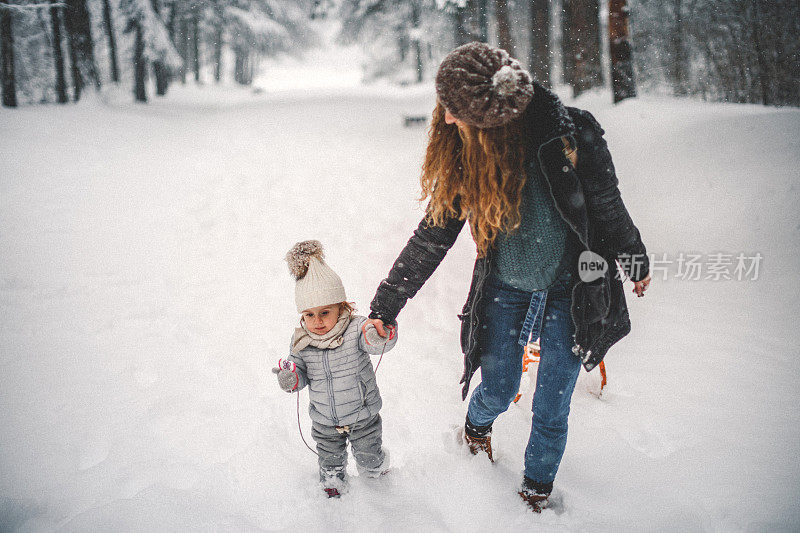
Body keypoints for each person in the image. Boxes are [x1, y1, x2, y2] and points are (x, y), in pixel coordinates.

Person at [365, 42, 651, 512]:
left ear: (493, 120)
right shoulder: (465, 155)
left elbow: (606, 204)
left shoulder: (573, 137)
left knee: (552, 404)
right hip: (504, 288)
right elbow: (432, 237)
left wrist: (634, 259)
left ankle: (536, 490)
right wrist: (386, 306)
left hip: (573, 289)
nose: (449, 121)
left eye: (457, 112)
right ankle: (477, 427)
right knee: (497, 387)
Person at [273, 240, 397, 498]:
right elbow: (298, 372)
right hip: (325, 421)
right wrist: (291, 378)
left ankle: (380, 484)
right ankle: (333, 488)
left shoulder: (356, 329)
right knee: (329, 463)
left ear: (342, 306)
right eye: (309, 315)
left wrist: (378, 337)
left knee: (369, 458)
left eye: (325, 312)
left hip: (362, 416)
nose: (317, 322)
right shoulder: (302, 342)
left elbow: (376, 340)